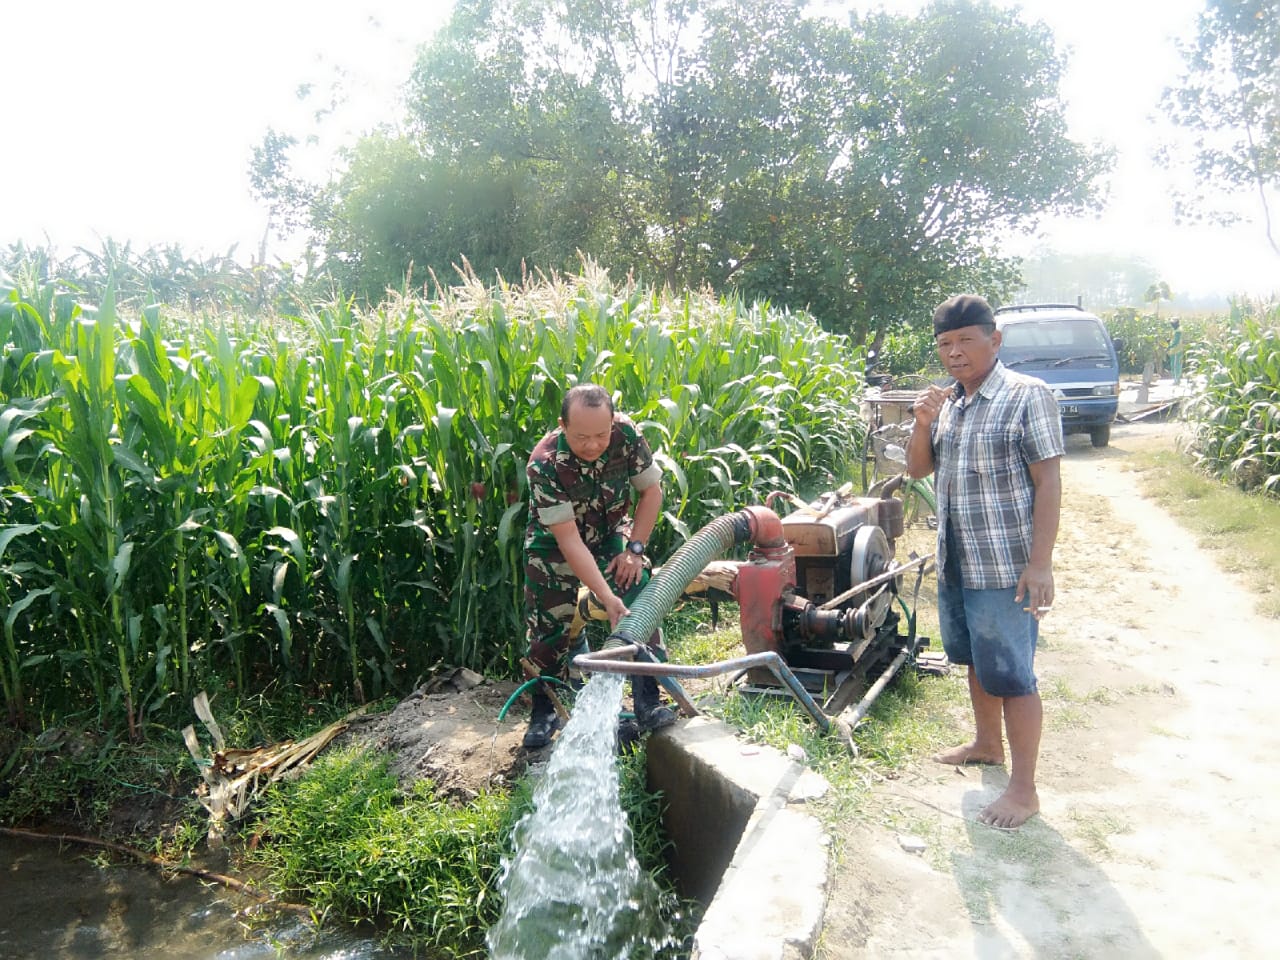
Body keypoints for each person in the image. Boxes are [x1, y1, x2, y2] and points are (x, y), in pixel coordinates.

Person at [906, 294, 1064, 829]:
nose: (955, 353)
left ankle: (1024, 790)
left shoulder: (1027, 396)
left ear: (994, 341)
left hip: (1005, 566)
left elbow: (1049, 481)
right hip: (957, 559)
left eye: (966, 340)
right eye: (945, 344)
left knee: (1014, 676)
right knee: (976, 658)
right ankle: (985, 744)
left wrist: (1039, 564)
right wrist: (923, 423)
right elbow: (918, 471)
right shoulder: (949, 402)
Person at [521, 383, 677, 749]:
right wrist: (605, 596)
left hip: (609, 531)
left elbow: (651, 492)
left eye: (601, 435)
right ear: (562, 425)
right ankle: (544, 709)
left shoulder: (625, 434)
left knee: (638, 586)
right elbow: (569, 540)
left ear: (612, 423)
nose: (592, 445)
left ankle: (648, 698)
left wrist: (634, 551)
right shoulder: (543, 464)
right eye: (581, 438)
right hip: (554, 547)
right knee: (548, 628)